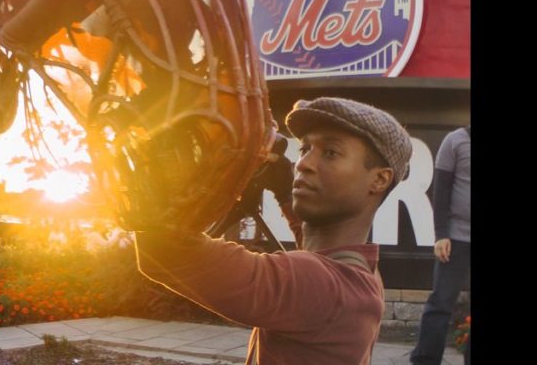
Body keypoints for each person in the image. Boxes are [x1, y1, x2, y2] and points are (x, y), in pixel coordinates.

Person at [134, 97, 412, 365]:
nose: (304, 164)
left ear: (379, 179)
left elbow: (162, 251)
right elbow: (311, 248)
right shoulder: (362, 271)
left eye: (330, 152)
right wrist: (284, 193)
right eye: (305, 149)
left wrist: (158, 169)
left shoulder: (322, 285)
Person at [410, 126, 471, 365]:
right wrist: (441, 235)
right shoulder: (454, 141)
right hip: (455, 239)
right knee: (441, 303)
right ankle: (425, 360)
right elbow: (441, 190)